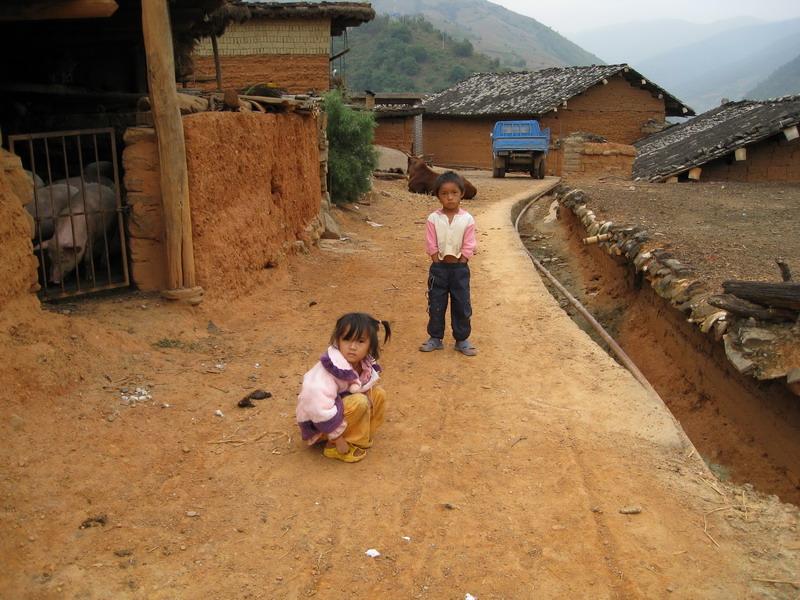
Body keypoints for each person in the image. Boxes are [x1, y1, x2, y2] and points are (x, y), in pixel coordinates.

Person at [296, 312, 391, 463]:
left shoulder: (363, 364)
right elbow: (316, 408)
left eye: (360, 341)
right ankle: (332, 446)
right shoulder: (327, 371)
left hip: (339, 409)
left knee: (378, 394)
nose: (352, 347)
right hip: (319, 425)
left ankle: (359, 438)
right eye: (347, 339)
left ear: (370, 346)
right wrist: (338, 439)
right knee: (360, 401)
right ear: (337, 341)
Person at [420, 171, 478, 356]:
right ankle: (435, 338)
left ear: (462, 193)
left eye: (454, 192)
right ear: (438, 196)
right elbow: (431, 242)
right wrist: (436, 261)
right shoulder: (433, 219)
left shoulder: (467, 219)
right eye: (444, 193)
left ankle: (461, 339)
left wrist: (463, 261)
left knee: (461, 304)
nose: (450, 197)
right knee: (436, 303)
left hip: (460, 270)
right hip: (439, 269)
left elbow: (469, 243)